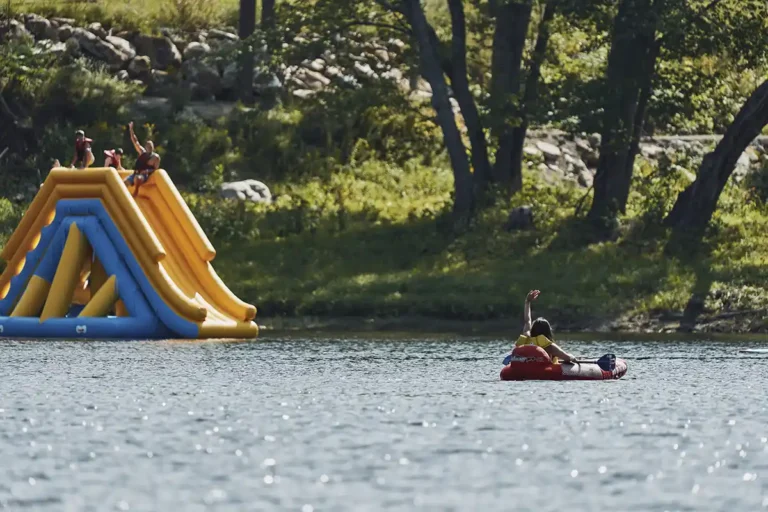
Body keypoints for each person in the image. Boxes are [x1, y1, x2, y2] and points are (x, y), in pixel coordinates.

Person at [510, 290, 576, 364]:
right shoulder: (549, 346)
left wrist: (527, 301)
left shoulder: (527, 337)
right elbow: (567, 358)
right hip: (542, 372)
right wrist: (573, 357)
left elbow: (527, 320)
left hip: (523, 370)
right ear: (548, 331)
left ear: (533, 329)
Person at [124, 122, 160, 197]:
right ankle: (124, 196)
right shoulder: (142, 152)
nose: (149, 147)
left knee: (138, 178)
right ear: (146, 147)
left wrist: (147, 171)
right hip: (136, 173)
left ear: (153, 147)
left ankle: (136, 190)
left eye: (150, 146)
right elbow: (135, 141)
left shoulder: (155, 157)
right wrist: (131, 129)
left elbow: (155, 169)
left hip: (144, 175)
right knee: (124, 182)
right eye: (148, 146)